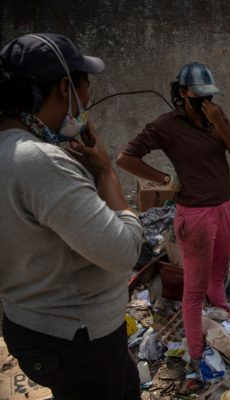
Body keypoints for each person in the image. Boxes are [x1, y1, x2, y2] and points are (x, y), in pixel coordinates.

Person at [0, 33, 143, 399]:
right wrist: (106, 172)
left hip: (31, 323)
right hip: (77, 338)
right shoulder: (40, 162)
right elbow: (124, 250)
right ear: (66, 87)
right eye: (86, 84)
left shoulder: (12, 152)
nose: (87, 99)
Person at [116, 62, 230, 368]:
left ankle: (222, 311)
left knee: (219, 268)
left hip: (223, 206)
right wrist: (163, 179)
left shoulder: (215, 116)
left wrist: (219, 122)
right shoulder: (167, 125)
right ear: (183, 93)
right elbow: (126, 157)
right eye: (198, 97)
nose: (205, 102)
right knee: (195, 288)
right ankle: (199, 354)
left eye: (208, 96)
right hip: (195, 215)